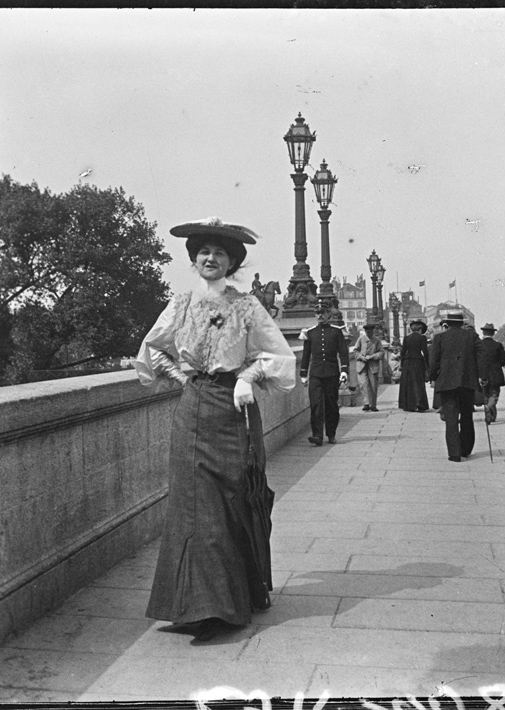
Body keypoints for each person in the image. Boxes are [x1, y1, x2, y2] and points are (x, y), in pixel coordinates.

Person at [135, 216, 296, 642]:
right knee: (192, 503)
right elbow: (152, 349)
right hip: (192, 410)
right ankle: (196, 607)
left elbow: (279, 357)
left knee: (230, 499)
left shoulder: (246, 306)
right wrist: (181, 376)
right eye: (204, 252)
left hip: (233, 410)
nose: (211, 258)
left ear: (232, 263)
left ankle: (229, 600)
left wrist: (246, 378)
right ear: (194, 259)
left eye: (220, 253)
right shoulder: (182, 303)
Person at [428, 312, 484, 462]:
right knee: (467, 416)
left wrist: (433, 377)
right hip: (467, 382)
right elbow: (482, 355)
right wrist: (481, 375)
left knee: (451, 418)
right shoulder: (471, 336)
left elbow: (433, 361)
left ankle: (454, 453)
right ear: (462, 323)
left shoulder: (439, 338)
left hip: (447, 383)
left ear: (448, 323)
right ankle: (466, 449)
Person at [300, 300, 349, 445]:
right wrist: (303, 374)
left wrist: (344, 371)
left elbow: (343, 353)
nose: (320, 315)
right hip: (315, 374)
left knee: (331, 405)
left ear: (328, 314)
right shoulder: (310, 333)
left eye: (323, 313)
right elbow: (306, 355)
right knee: (315, 405)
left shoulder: (336, 331)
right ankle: (317, 436)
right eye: (317, 313)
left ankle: (331, 434)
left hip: (332, 374)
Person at [478, 323, 505, 424]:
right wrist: (497, 364)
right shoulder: (498, 345)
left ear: (483, 332)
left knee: (486, 394)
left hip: (482, 374)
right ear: (493, 333)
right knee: (494, 394)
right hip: (495, 374)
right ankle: (490, 408)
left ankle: (490, 414)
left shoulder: (479, 345)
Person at [398, 320, 430, 412]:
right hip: (418, 361)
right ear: (420, 329)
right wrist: (427, 364)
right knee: (418, 382)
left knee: (408, 383)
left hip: (408, 362)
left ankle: (408, 405)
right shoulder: (422, 338)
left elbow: (403, 352)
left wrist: (402, 364)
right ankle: (420, 403)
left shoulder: (406, 338)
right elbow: (425, 352)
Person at [355, 323, 386, 412]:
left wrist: (372, 356)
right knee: (363, 384)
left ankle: (373, 405)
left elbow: (382, 353)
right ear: (365, 331)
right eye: (367, 332)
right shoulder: (361, 339)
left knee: (373, 385)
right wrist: (361, 356)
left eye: (371, 332)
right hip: (361, 365)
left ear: (373, 331)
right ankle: (366, 403)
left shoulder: (377, 340)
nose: (369, 334)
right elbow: (355, 350)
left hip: (372, 365)